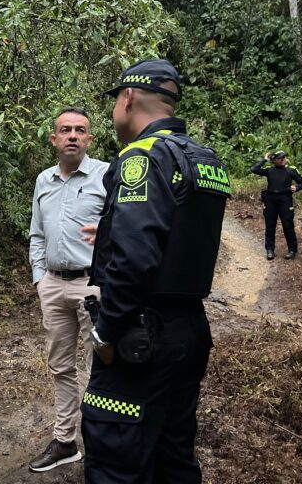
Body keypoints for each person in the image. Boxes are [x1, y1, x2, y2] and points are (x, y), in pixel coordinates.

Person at [83, 58, 231, 484]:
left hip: (140, 340)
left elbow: (134, 262)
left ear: (128, 98)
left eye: (115, 103)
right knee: (173, 456)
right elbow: (177, 233)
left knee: (118, 460)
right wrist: (116, 228)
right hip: (189, 332)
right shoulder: (204, 158)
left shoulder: (142, 158)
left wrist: (106, 333)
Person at [27, 107, 109, 472]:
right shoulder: (43, 180)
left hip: (93, 285)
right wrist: (39, 277)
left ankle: (101, 442)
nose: (73, 135)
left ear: (90, 138)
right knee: (60, 366)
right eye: (66, 130)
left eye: (80, 130)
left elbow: (123, 229)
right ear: (54, 138)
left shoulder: (107, 175)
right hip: (54, 285)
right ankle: (65, 442)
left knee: (101, 366)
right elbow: (36, 234)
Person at [250, 150, 302, 260]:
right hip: (270, 199)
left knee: (288, 225)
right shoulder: (270, 170)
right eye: (280, 158)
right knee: (270, 226)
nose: (283, 160)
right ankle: (270, 250)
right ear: (274, 160)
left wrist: (297, 188)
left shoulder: (291, 171)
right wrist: (264, 160)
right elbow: (254, 169)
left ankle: (292, 250)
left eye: (284, 157)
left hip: (285, 199)